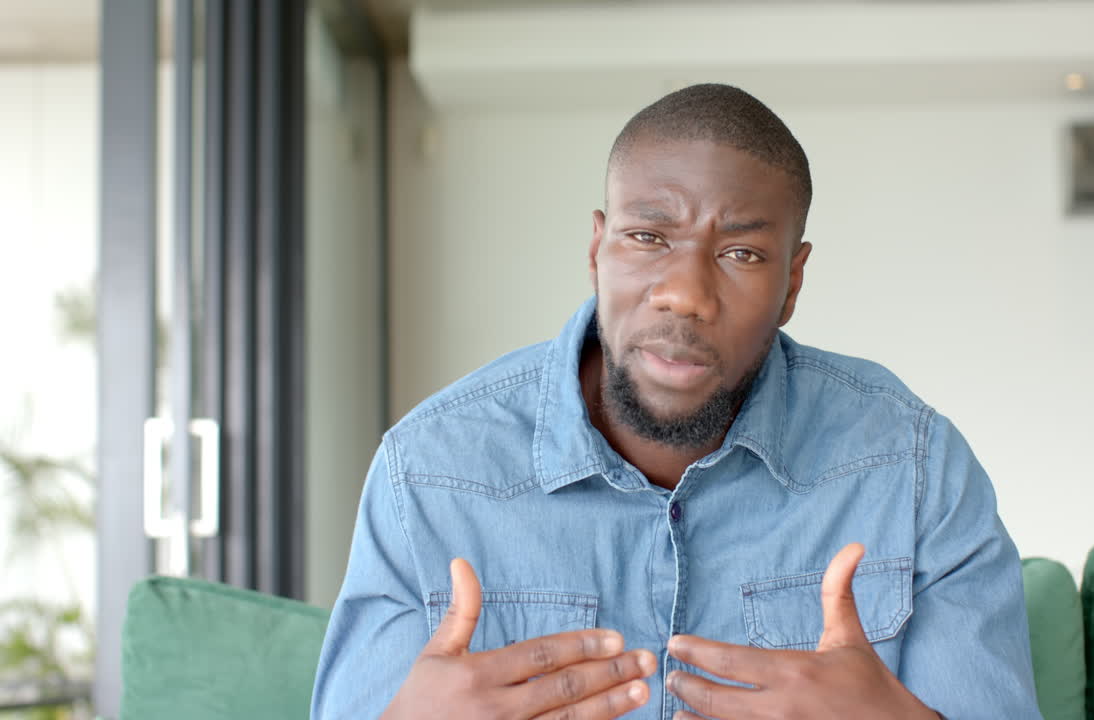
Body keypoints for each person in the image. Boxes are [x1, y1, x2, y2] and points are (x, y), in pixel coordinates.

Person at [311, 83, 1042, 720]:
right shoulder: (428, 470)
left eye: (741, 254)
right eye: (647, 235)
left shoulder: (913, 470)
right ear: (598, 250)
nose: (685, 294)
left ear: (792, 283)